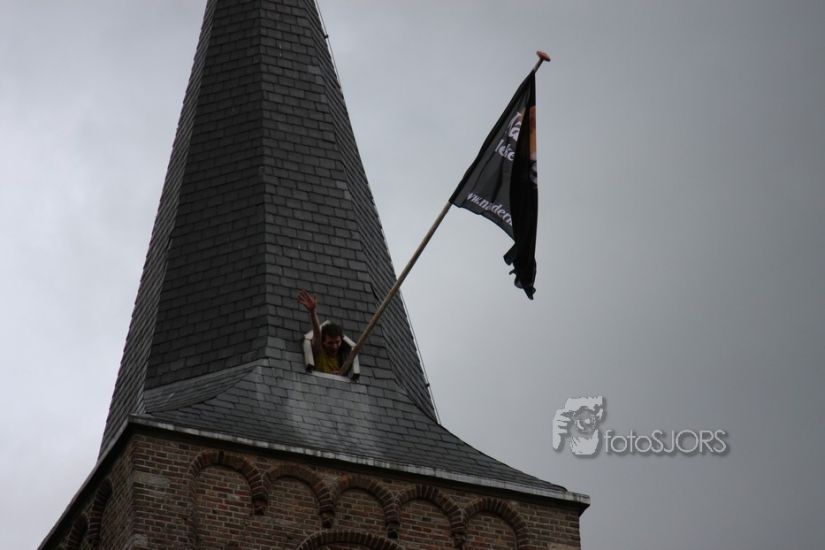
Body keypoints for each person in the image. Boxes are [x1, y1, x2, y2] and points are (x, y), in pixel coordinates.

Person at [297, 289, 346, 374]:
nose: (335, 347)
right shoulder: (320, 353)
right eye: (330, 343)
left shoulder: (342, 356)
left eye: (337, 342)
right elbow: (317, 333)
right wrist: (312, 311)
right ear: (323, 343)